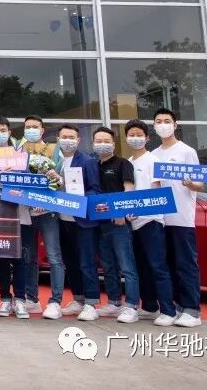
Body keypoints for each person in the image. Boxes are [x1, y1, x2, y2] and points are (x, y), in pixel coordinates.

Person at [153, 107, 205, 328]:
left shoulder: (186, 151)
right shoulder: (154, 154)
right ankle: (176, 307)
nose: (163, 125)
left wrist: (191, 184)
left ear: (175, 125)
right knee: (168, 264)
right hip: (159, 218)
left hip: (181, 217)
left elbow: (200, 183)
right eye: (158, 121)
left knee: (186, 263)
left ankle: (192, 309)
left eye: (167, 121)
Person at [125, 119, 178, 327]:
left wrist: (139, 209)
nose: (135, 138)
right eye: (131, 135)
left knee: (158, 267)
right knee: (142, 266)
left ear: (147, 138)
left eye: (139, 135)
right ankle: (149, 306)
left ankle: (168, 310)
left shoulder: (153, 160)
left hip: (151, 221)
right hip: (133, 223)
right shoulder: (128, 162)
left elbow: (156, 191)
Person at [50, 123, 103, 321]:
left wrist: (78, 197)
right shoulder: (52, 161)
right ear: (58, 139)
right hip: (60, 220)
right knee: (70, 261)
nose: (68, 141)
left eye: (71, 137)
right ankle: (78, 298)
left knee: (86, 262)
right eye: (64, 137)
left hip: (82, 220)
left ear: (78, 140)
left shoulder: (87, 161)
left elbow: (95, 189)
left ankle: (91, 303)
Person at [17, 115, 65, 319]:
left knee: (54, 256)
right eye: (27, 127)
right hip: (26, 211)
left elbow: (61, 180)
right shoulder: (19, 152)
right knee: (29, 257)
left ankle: (55, 302)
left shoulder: (54, 150)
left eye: (35, 127)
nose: (31, 130)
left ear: (42, 130)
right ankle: (32, 299)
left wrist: (56, 177)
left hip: (47, 211)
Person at [92, 127, 140, 323]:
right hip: (99, 223)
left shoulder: (123, 163)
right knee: (108, 266)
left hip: (119, 223)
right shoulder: (93, 165)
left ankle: (132, 305)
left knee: (127, 266)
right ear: (93, 144)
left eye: (106, 141)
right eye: (98, 141)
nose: (102, 144)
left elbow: (129, 189)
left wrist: (121, 211)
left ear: (113, 144)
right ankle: (114, 302)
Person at [0, 116, 29, 319]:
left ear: (9, 132)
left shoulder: (20, 155)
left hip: (19, 212)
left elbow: (30, 179)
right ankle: (5, 298)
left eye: (2, 130)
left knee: (20, 257)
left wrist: (15, 175)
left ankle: (20, 299)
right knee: (2, 257)